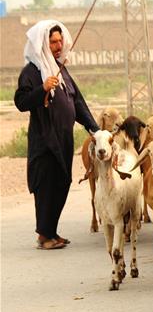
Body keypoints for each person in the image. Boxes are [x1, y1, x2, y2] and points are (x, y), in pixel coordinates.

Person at [14, 20, 99, 250]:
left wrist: (94, 129)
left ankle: (51, 231)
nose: (59, 46)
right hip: (45, 141)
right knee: (46, 186)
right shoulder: (31, 72)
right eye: (53, 42)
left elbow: (77, 103)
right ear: (42, 43)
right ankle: (44, 236)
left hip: (63, 140)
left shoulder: (61, 71)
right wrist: (42, 88)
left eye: (60, 41)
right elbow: (21, 102)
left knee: (61, 182)